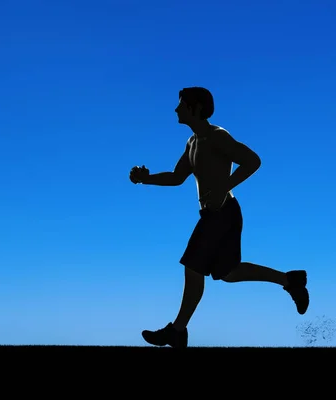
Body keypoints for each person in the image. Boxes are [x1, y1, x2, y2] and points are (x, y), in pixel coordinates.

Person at [129, 87, 309, 348]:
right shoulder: (193, 142)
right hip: (219, 214)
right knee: (228, 272)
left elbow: (252, 161)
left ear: (196, 108)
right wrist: (146, 179)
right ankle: (289, 280)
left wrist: (223, 188)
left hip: (223, 213)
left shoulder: (217, 136)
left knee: (193, 266)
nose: (176, 109)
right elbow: (177, 177)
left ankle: (177, 331)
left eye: (181, 105)